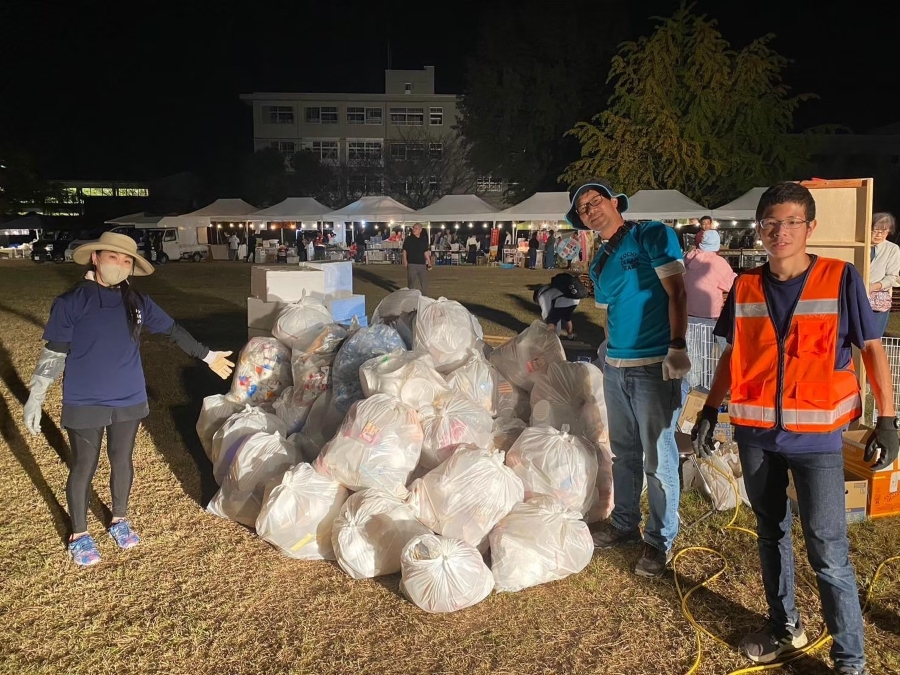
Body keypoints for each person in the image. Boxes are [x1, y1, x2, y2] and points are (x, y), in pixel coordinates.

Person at [692, 183, 897, 675]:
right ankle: (786, 628)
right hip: (756, 434)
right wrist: (708, 409)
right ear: (759, 227)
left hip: (817, 438)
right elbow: (732, 355)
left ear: (811, 228)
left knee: (827, 548)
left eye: (791, 222)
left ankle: (850, 662)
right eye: (770, 222)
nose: (780, 231)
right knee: (770, 533)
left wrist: (888, 419)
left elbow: (871, 348)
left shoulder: (840, 277)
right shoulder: (744, 286)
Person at [22, 232, 235, 567]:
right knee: (83, 466)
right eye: (112, 258)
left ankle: (120, 519)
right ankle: (79, 534)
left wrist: (206, 355)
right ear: (96, 258)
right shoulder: (71, 301)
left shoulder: (136, 301)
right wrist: (36, 394)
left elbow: (172, 329)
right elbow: (55, 351)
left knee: (122, 461)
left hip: (128, 397)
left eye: (126, 261)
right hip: (86, 399)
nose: (119, 265)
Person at [566, 177, 690, 578]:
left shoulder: (652, 234)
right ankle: (625, 523)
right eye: (583, 208)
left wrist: (678, 346)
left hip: (655, 365)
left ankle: (659, 540)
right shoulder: (599, 261)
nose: (591, 208)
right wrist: (608, 351)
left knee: (659, 457)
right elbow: (612, 309)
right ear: (582, 221)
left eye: (595, 200)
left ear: (614, 202)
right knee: (624, 453)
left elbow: (678, 292)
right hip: (617, 367)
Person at [684, 230, 737, 320]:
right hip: (709, 312)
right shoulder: (717, 262)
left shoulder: (688, 257)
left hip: (685, 310)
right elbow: (731, 285)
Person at [868, 212, 899, 337]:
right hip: (854, 297)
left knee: (873, 338)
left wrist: (873, 286)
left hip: (877, 302)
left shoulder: (892, 249)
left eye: (884, 231)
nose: (879, 234)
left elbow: (892, 277)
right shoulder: (859, 246)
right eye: (875, 230)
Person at [402, 223, 432, 295]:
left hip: (422, 264)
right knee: (411, 283)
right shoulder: (408, 239)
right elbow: (404, 251)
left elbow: (425, 251)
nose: (414, 230)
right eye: (413, 228)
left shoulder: (423, 240)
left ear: (420, 230)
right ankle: (410, 297)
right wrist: (405, 261)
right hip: (412, 264)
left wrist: (429, 262)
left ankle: (424, 297)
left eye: (416, 228)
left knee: (424, 283)